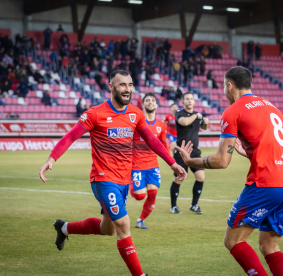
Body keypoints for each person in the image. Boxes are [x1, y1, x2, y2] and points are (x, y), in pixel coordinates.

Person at [38, 70, 187, 276]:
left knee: (107, 229)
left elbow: (152, 140)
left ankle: (63, 228)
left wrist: (172, 163)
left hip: (123, 180)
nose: (127, 89)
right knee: (124, 225)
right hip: (103, 179)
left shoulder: (135, 113)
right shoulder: (94, 114)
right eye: (122, 85)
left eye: (130, 85)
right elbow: (70, 136)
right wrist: (51, 158)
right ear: (111, 87)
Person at [176, 66, 283, 276]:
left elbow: (221, 161)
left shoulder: (233, 111)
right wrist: (251, 153)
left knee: (233, 240)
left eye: (224, 86)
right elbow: (279, 149)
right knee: (269, 246)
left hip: (265, 184)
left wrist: (190, 161)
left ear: (229, 86)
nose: (224, 91)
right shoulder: (272, 107)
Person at [130, 92, 168, 229]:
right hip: (137, 164)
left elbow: (163, 145)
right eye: (147, 100)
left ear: (156, 105)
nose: (150, 102)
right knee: (140, 196)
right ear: (144, 104)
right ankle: (130, 182)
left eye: (152, 100)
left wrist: (171, 162)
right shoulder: (136, 122)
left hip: (153, 165)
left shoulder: (161, 125)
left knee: (152, 194)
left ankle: (140, 220)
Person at [170, 92, 209, 214]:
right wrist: (198, 116)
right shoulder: (179, 113)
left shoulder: (197, 116)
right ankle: (174, 206)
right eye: (187, 99)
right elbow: (185, 122)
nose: (189, 101)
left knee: (200, 177)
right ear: (183, 101)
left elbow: (205, 127)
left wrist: (205, 121)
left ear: (194, 101)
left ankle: (194, 205)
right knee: (179, 178)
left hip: (195, 151)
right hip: (181, 151)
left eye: (191, 99)